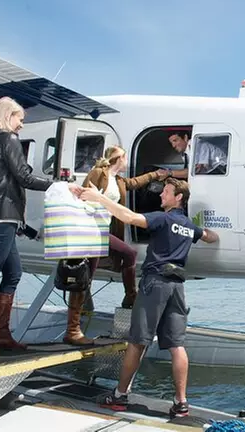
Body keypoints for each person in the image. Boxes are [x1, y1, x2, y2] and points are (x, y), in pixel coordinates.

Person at [0, 96, 82, 357]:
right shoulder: (8, 139)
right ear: (7, 115)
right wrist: (60, 186)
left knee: (13, 273)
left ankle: (1, 334)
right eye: (19, 119)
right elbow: (24, 177)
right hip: (5, 215)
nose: (21, 124)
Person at [80, 178, 218, 417]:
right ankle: (181, 403)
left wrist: (99, 198)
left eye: (166, 192)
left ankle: (119, 395)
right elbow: (210, 236)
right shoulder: (188, 226)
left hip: (155, 284)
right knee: (176, 345)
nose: (161, 195)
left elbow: (129, 217)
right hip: (177, 287)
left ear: (178, 198)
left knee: (137, 341)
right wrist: (206, 231)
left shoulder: (163, 219)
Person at [63, 145, 168, 346]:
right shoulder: (98, 173)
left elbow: (134, 183)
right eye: (125, 157)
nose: (127, 161)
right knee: (97, 270)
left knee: (96, 272)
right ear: (119, 158)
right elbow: (82, 197)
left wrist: (156, 174)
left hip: (101, 231)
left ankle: (128, 298)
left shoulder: (117, 180)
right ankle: (73, 329)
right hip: (90, 229)